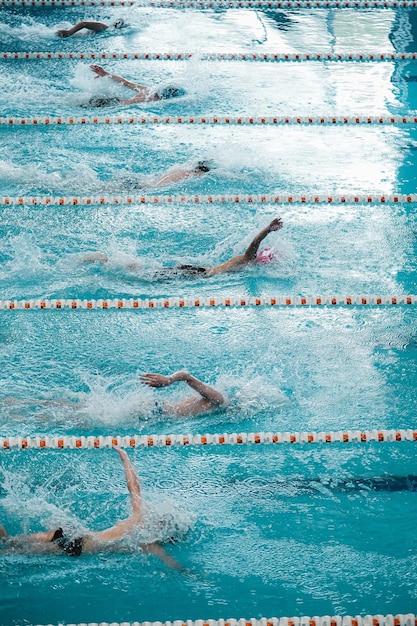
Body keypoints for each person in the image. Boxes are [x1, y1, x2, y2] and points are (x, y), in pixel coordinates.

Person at [0, 446, 185, 567]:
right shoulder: (147, 543)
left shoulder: (137, 516)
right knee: (9, 551)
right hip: (77, 544)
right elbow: (171, 562)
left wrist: (126, 460)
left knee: (11, 541)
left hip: (73, 532)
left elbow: (134, 488)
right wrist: (189, 574)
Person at [82, 217, 283, 278]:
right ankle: (106, 260)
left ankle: (112, 262)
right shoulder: (247, 260)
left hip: (197, 271)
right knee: (143, 277)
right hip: (197, 274)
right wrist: (268, 229)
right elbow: (254, 244)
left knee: (146, 273)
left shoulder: (244, 264)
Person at [4, 371, 226, 419]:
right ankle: (20, 416)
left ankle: (23, 403)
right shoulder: (219, 403)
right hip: (151, 412)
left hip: (152, 407)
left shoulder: (208, 402)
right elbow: (187, 376)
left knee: (81, 409)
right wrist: (169, 380)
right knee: (79, 417)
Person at [87, 64, 186, 107]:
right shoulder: (155, 100)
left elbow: (126, 83)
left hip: (113, 100)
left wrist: (106, 74)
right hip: (113, 105)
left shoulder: (148, 90)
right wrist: (106, 74)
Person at [140, 370, 226, 417]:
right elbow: (185, 376)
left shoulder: (214, 406)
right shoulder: (218, 400)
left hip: (157, 409)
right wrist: (169, 379)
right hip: (154, 410)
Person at [56, 19, 125, 37]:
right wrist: (69, 32)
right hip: (66, 35)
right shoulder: (103, 27)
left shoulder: (106, 29)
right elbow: (83, 24)